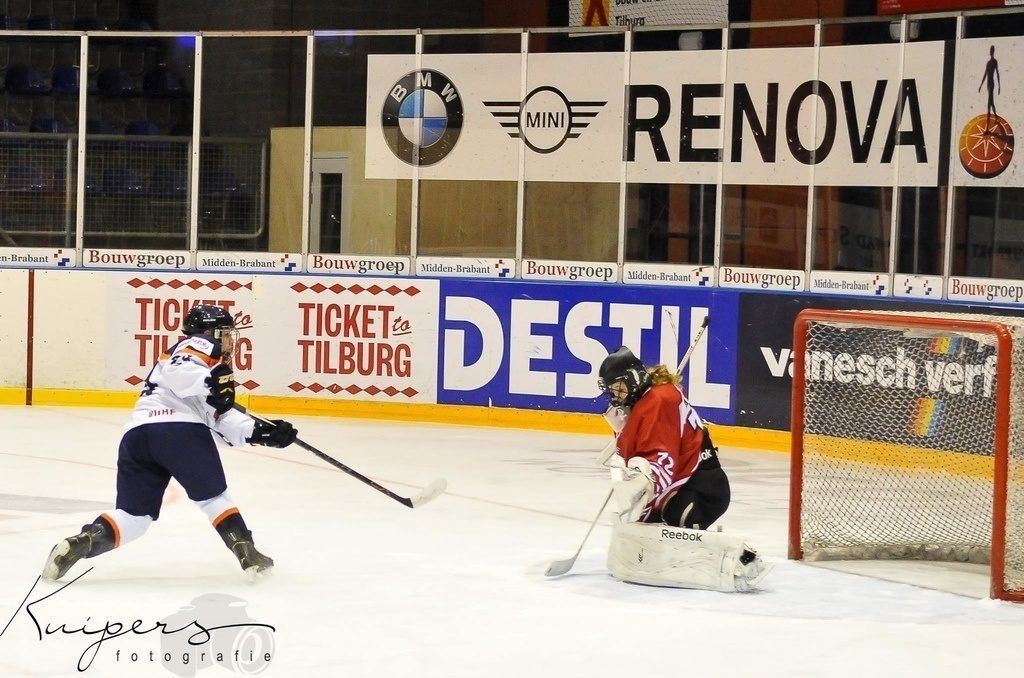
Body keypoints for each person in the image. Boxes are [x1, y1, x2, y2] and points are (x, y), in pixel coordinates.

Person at [42, 304, 299, 582]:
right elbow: (183, 372)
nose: (228, 340)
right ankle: (247, 553)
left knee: (134, 518)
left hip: (138, 436)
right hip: (179, 432)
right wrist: (209, 380)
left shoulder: (198, 367)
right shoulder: (199, 346)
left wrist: (260, 432)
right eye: (224, 333)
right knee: (214, 498)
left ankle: (83, 542)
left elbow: (216, 417)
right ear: (209, 332)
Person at [597, 346, 770, 592]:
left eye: (618, 387)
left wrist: (639, 483)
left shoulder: (657, 400)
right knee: (645, 527)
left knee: (674, 518)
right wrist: (622, 431)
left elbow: (661, 459)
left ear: (633, 379)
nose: (615, 395)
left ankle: (742, 559)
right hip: (690, 484)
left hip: (702, 488)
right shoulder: (651, 400)